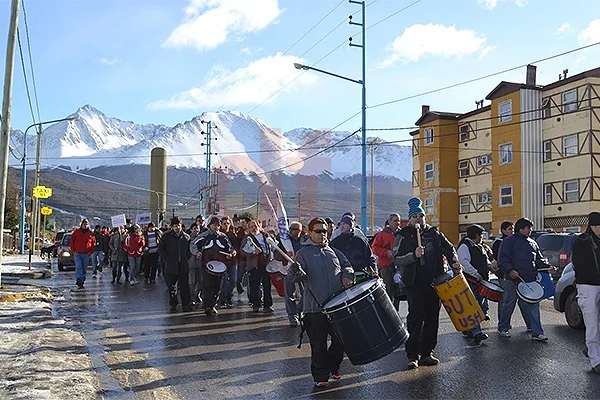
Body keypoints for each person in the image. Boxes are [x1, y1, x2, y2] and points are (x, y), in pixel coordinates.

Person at [394, 197, 461, 369]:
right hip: (414, 284)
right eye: (414, 216)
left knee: (432, 318)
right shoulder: (403, 235)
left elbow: (449, 248)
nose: (418, 219)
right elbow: (397, 259)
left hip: (435, 282)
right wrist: (413, 256)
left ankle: (427, 353)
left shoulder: (434, 233)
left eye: (420, 216)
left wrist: (454, 261)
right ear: (410, 218)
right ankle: (412, 355)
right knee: (416, 318)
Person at [290, 217, 354, 388]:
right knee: (318, 345)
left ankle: (334, 366)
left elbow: (347, 265)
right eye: (318, 231)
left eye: (324, 231)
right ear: (310, 233)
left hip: (336, 305)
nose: (322, 234)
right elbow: (296, 277)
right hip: (314, 308)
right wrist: (296, 271)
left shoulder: (334, 251)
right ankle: (320, 375)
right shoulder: (302, 254)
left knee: (341, 340)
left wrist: (347, 275)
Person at [497, 217, 555, 341]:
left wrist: (547, 267)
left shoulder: (533, 242)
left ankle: (537, 332)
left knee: (533, 305)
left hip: (530, 280)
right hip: (513, 280)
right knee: (509, 304)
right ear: (521, 229)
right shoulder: (508, 241)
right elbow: (502, 259)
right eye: (529, 228)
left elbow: (539, 260)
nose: (531, 230)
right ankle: (503, 328)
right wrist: (510, 270)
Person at [571, 212, 600, 374]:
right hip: (588, 287)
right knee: (592, 324)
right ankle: (596, 360)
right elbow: (579, 265)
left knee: (596, 324)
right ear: (594, 226)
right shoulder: (582, 242)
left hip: (594, 285)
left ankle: (594, 352)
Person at [192, 216, 236, 316]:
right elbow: (193, 244)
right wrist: (197, 253)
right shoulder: (204, 236)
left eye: (218, 225)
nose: (216, 227)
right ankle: (207, 306)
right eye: (214, 225)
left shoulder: (223, 237)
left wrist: (231, 254)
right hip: (207, 265)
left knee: (217, 286)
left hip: (220, 266)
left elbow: (230, 249)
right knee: (208, 285)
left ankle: (213, 305)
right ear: (210, 225)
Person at [491, 221, 531, 330]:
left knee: (522, 301)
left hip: (519, 275)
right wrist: (509, 269)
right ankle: (503, 324)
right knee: (507, 300)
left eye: (512, 229)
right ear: (503, 230)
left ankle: (529, 325)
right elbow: (500, 258)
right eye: (509, 229)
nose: (511, 231)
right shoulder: (500, 242)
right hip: (505, 274)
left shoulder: (522, 241)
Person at [457, 224, 492, 344]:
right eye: (481, 234)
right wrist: (476, 274)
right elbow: (464, 263)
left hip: (480, 281)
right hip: (471, 281)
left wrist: (491, 267)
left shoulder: (479, 246)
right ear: (476, 235)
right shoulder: (465, 247)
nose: (482, 237)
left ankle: (469, 329)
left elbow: (485, 261)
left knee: (479, 306)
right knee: (473, 307)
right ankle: (476, 332)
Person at [274, 221, 304, 327]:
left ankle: (299, 311)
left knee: (306, 293)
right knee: (289, 294)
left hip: (302, 270)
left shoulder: (304, 241)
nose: (290, 231)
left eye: (294, 229)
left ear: (300, 231)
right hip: (289, 269)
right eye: (290, 228)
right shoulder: (284, 242)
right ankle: (292, 316)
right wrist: (285, 255)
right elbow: (276, 255)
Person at [159, 216, 192, 312]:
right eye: (175, 226)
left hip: (183, 265)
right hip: (171, 265)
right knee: (172, 286)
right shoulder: (166, 236)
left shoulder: (186, 237)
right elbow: (161, 249)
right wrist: (167, 258)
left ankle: (186, 304)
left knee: (185, 286)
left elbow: (189, 250)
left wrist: (186, 257)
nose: (177, 227)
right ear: (172, 227)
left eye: (179, 225)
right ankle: (173, 303)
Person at [240, 220, 274, 313]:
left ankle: (267, 305)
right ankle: (256, 304)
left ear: (258, 226)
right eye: (251, 226)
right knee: (254, 285)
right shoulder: (247, 238)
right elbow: (242, 251)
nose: (253, 228)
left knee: (267, 285)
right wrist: (253, 252)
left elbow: (273, 246)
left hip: (266, 264)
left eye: (255, 226)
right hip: (254, 265)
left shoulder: (265, 235)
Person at [372, 213, 402, 310]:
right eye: (395, 220)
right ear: (389, 222)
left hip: (399, 266)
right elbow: (374, 248)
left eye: (398, 221)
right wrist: (386, 252)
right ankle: (389, 312)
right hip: (386, 267)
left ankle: (396, 311)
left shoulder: (401, 234)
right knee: (389, 290)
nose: (397, 223)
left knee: (399, 291)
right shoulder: (381, 235)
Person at [69, 219, 96, 289]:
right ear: (81, 224)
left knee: (84, 268)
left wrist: (91, 251)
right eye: (84, 223)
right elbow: (72, 241)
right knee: (79, 266)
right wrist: (73, 250)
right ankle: (78, 279)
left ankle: (82, 280)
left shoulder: (91, 234)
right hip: (77, 253)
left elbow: (94, 243)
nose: (85, 225)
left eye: (86, 224)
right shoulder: (76, 232)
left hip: (86, 254)